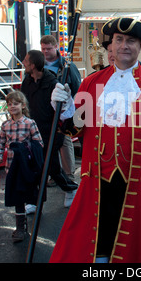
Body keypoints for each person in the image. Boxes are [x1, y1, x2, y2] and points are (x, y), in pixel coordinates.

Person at [49, 17, 141, 263]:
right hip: (97, 175)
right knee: (94, 239)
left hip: (140, 179)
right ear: (111, 45)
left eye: (131, 40)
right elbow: (76, 129)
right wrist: (65, 108)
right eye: (119, 40)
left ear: (140, 45)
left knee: (134, 245)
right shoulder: (92, 82)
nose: (124, 46)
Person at [20, 50, 78, 209]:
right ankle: (38, 200)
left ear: (33, 65)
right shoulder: (27, 81)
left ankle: (68, 189)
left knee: (48, 167)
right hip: (33, 131)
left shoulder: (53, 83)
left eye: (26, 60)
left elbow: (63, 110)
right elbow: (24, 102)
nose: (23, 63)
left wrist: (61, 130)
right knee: (40, 167)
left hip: (51, 132)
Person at [0, 91, 44, 243]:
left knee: (28, 194)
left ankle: (30, 223)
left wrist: (25, 148)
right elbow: (1, 142)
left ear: (23, 106)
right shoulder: (5, 125)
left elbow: (39, 143)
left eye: (15, 104)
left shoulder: (30, 123)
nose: (12, 107)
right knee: (17, 198)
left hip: (26, 167)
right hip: (12, 166)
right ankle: (20, 228)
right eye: (9, 104)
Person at [40, 35, 81, 189]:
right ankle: (54, 174)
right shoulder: (39, 65)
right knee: (48, 142)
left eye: (49, 48)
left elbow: (77, 87)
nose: (45, 52)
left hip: (63, 110)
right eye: (43, 49)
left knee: (64, 142)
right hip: (45, 110)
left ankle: (69, 175)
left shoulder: (67, 66)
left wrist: (73, 109)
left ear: (56, 46)